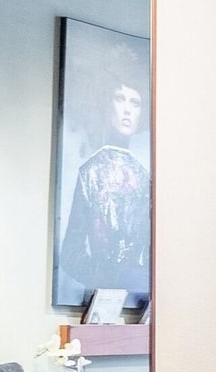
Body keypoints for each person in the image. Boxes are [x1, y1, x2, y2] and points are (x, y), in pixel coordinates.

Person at [56, 75, 149, 302]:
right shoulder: (90, 172)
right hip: (100, 300)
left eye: (134, 103)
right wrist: (109, 278)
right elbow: (70, 254)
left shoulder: (144, 177)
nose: (127, 110)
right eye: (120, 99)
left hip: (140, 301)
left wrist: (142, 280)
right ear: (108, 106)